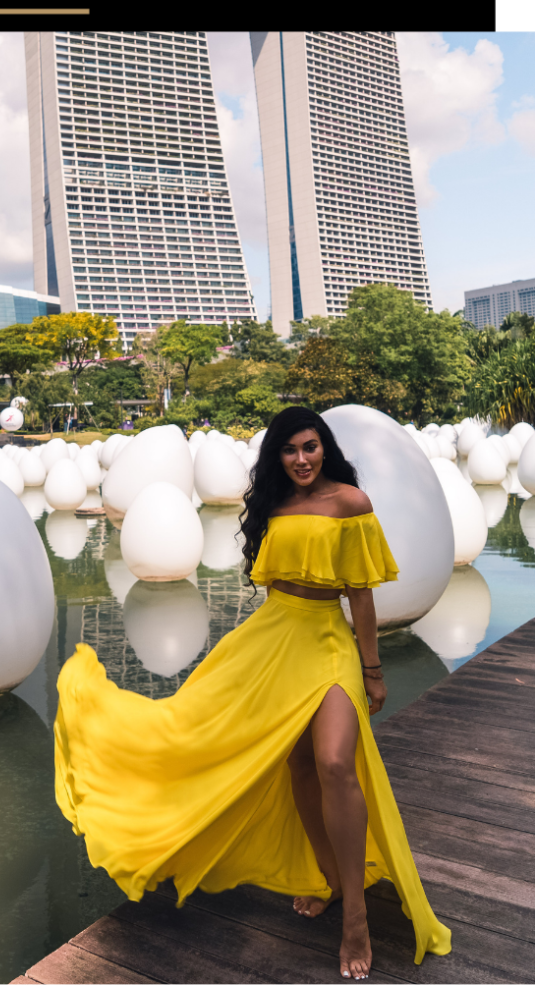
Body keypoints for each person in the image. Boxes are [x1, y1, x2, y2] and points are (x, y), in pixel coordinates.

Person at [54, 407, 451, 981]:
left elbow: (360, 595)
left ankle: (356, 919)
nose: (302, 459)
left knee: (337, 762)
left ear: (325, 447)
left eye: (310, 447)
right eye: (289, 451)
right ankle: (330, 879)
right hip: (272, 639)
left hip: (327, 641)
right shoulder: (275, 503)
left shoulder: (351, 502)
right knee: (287, 762)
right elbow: (270, 586)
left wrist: (373, 670)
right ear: (276, 458)